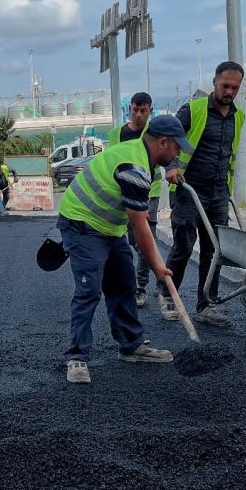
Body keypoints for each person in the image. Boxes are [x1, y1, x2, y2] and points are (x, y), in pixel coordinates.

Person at [57, 114, 193, 384]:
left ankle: (131, 345)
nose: (178, 153)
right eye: (177, 146)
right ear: (163, 142)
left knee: (123, 283)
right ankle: (77, 356)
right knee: (89, 290)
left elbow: (136, 223)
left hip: (109, 227)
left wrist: (153, 259)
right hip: (81, 223)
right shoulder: (135, 168)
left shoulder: (141, 156)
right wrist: (158, 268)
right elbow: (140, 226)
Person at [160, 61, 246, 327]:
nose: (229, 92)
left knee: (215, 250)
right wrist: (171, 167)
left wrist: (227, 188)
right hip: (189, 189)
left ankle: (207, 304)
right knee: (184, 247)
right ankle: (168, 295)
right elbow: (165, 138)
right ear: (214, 82)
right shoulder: (194, 109)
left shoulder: (238, 117)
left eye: (234, 88)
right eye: (225, 85)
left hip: (218, 192)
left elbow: (229, 155)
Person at [107, 91, 162, 309]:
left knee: (144, 240)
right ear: (129, 108)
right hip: (122, 192)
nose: (138, 114)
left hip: (149, 192)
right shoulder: (116, 134)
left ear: (150, 111)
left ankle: (141, 287)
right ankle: (125, 282)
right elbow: (110, 160)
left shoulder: (154, 133)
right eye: (135, 109)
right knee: (124, 239)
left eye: (143, 110)